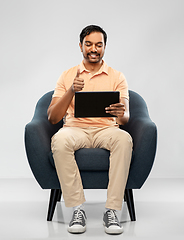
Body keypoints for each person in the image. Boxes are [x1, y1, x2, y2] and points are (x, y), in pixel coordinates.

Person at [47, 25, 133, 235]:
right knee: (59, 140)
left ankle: (112, 210)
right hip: (76, 129)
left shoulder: (117, 76)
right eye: (88, 44)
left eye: (98, 45)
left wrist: (121, 112)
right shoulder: (67, 75)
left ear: (104, 47)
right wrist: (71, 90)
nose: (93, 49)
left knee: (124, 139)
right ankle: (77, 209)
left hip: (107, 130)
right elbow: (53, 117)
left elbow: (125, 118)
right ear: (81, 46)